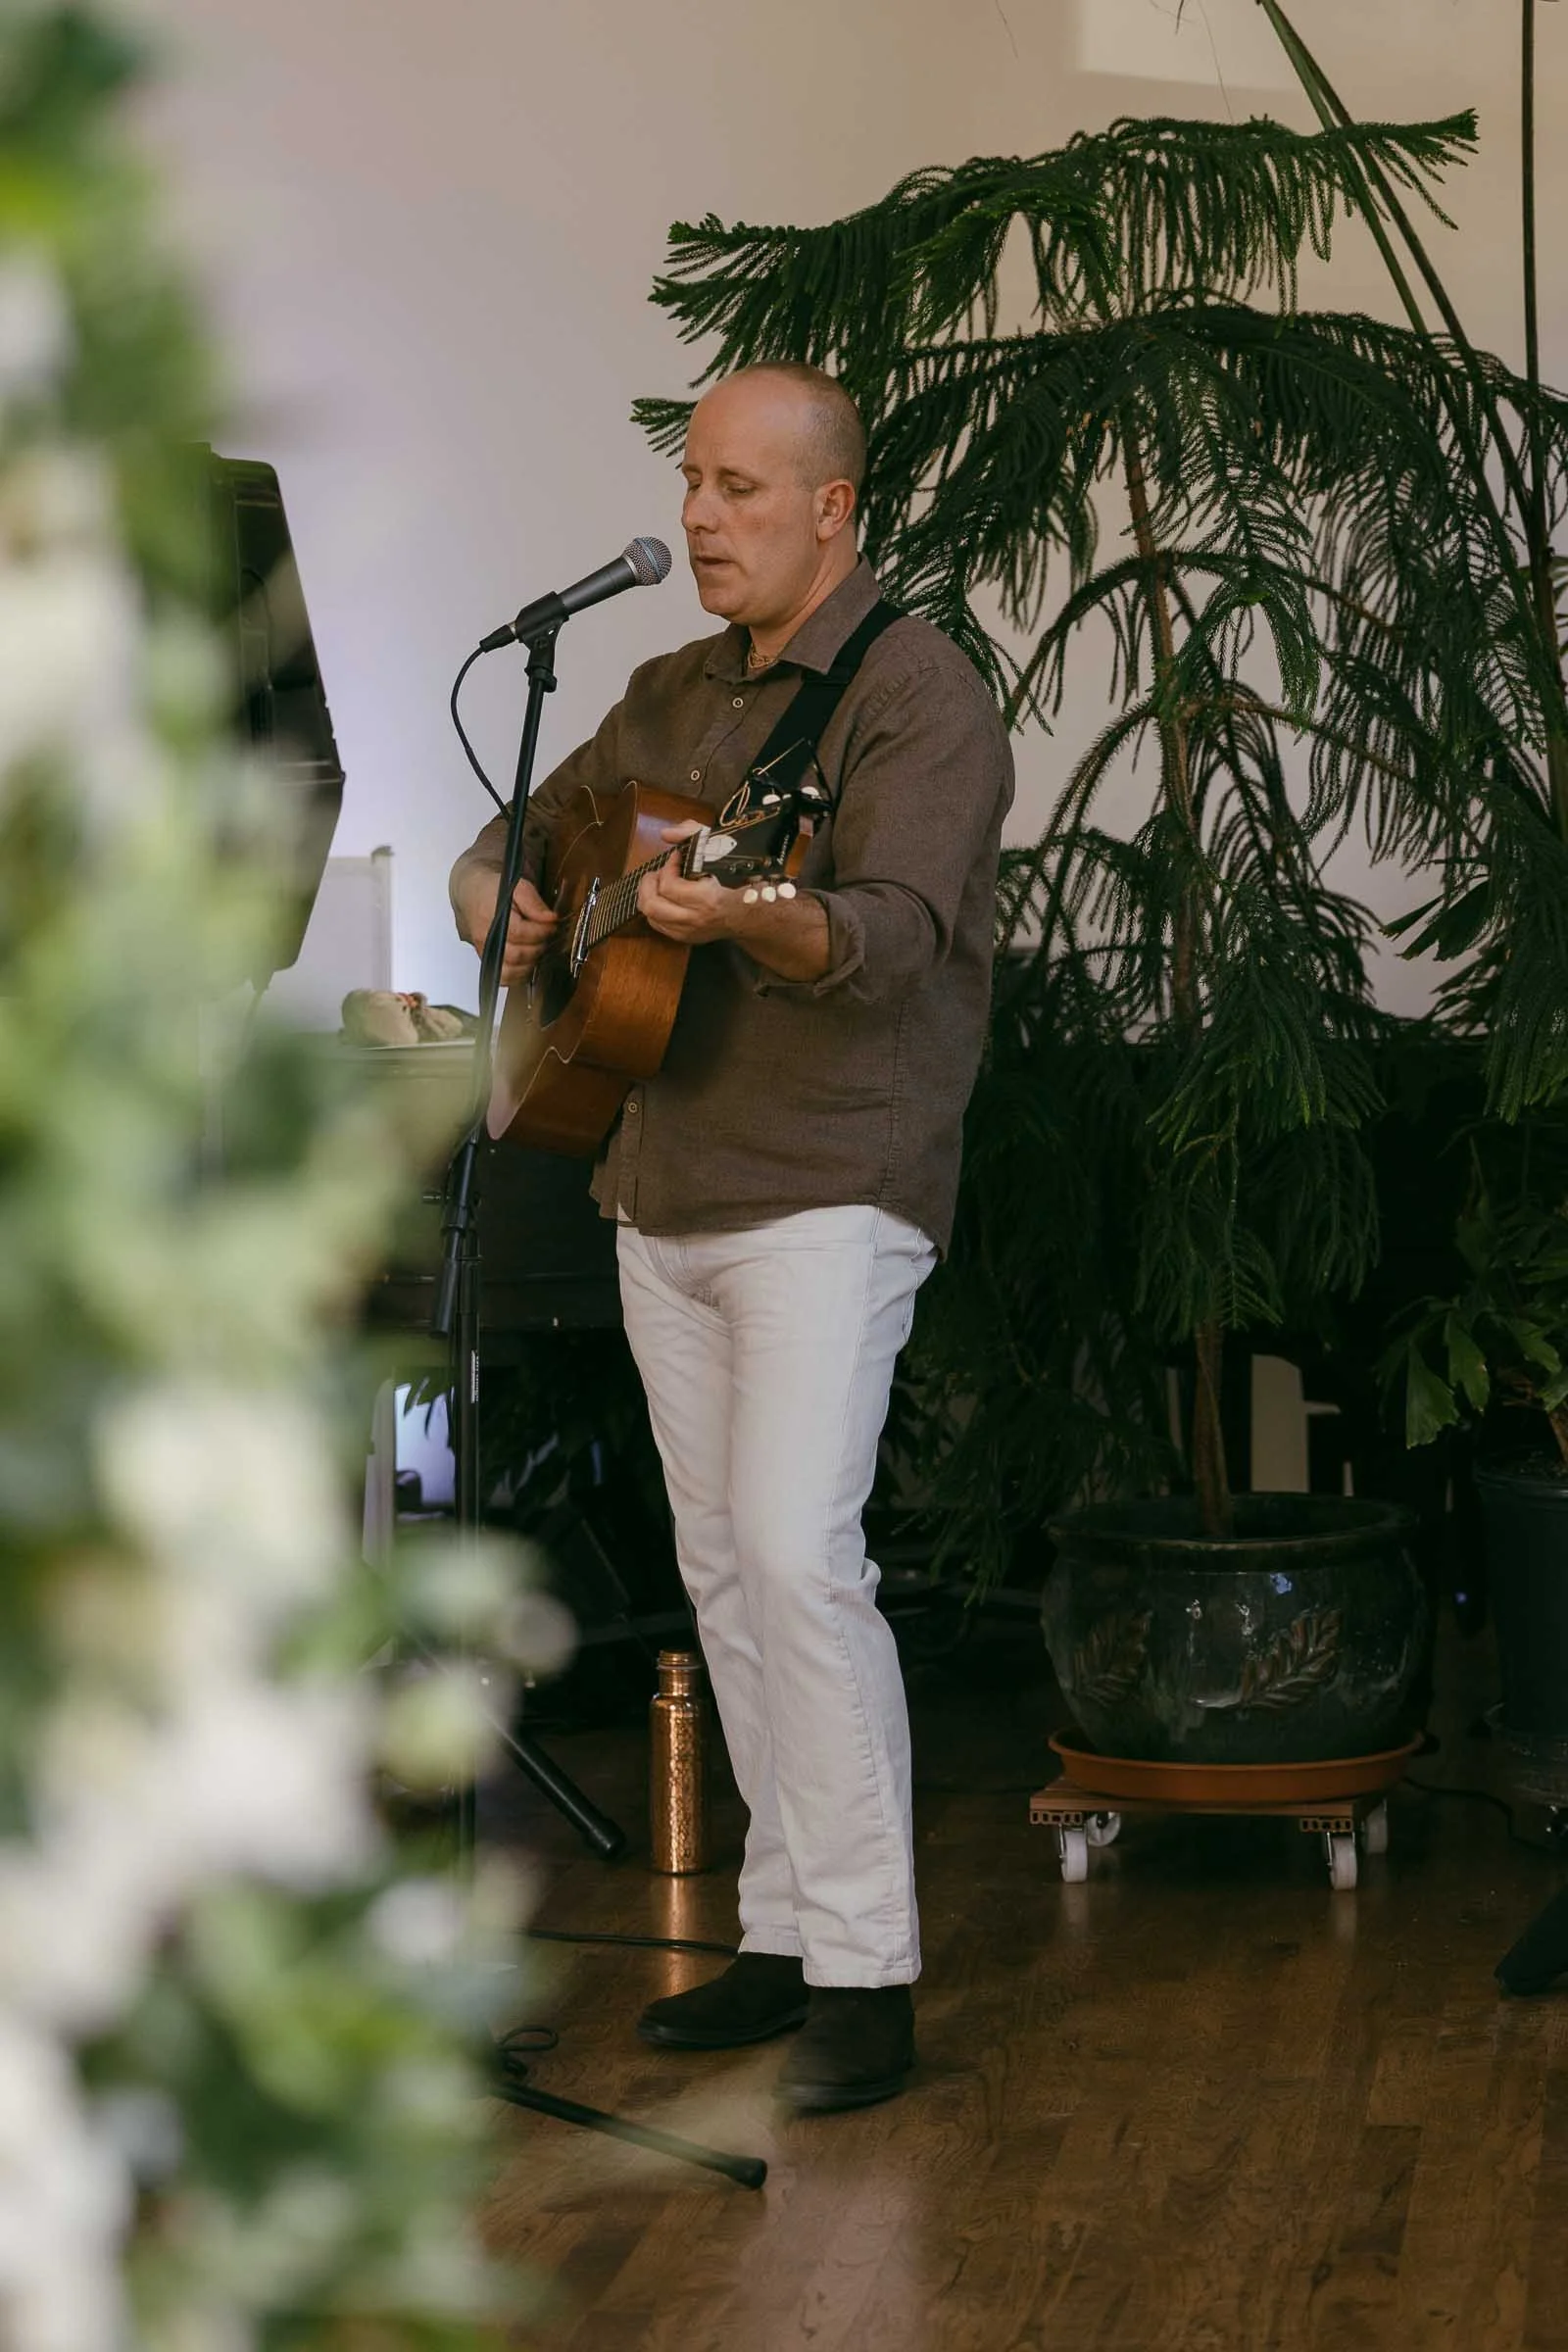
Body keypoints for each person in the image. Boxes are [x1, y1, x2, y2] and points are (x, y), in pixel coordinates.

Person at [450, 362, 1013, 2111]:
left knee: (793, 1555)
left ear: (834, 509)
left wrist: (750, 919)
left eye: (742, 490)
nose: (701, 515)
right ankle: (778, 1931)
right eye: (693, 481)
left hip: (832, 1185)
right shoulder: (663, 689)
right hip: (657, 1180)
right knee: (721, 1575)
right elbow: (499, 860)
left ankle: (866, 1968)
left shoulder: (918, 695)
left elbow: (897, 937)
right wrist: (511, 898)